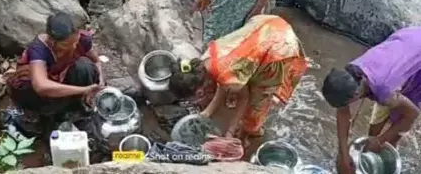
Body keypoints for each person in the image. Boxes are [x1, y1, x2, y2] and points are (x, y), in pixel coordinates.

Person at [169, 14, 307, 145]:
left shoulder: (230, 80)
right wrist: (207, 113)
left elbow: (244, 98)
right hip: (266, 24)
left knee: (257, 107)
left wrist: (230, 130)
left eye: (194, 100)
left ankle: (253, 132)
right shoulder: (205, 60)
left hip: (279, 45)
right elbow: (222, 82)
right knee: (236, 79)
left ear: (200, 92)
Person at [322, 27, 421, 174]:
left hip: (416, 54)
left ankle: (390, 152)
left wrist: (381, 141)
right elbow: (343, 113)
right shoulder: (349, 75)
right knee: (379, 125)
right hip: (405, 39)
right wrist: (343, 153)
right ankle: (377, 142)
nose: (344, 107)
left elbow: (413, 114)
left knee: (399, 120)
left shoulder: (383, 89)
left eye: (345, 104)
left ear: (356, 94)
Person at [6, 12, 105, 122]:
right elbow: (41, 87)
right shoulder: (39, 49)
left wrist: (100, 81)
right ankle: (50, 113)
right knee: (48, 104)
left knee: (85, 66)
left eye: (75, 42)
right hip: (34, 88)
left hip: (62, 78)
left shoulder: (83, 39)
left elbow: (96, 61)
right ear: (52, 41)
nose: (73, 47)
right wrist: (84, 89)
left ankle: (76, 103)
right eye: (66, 45)